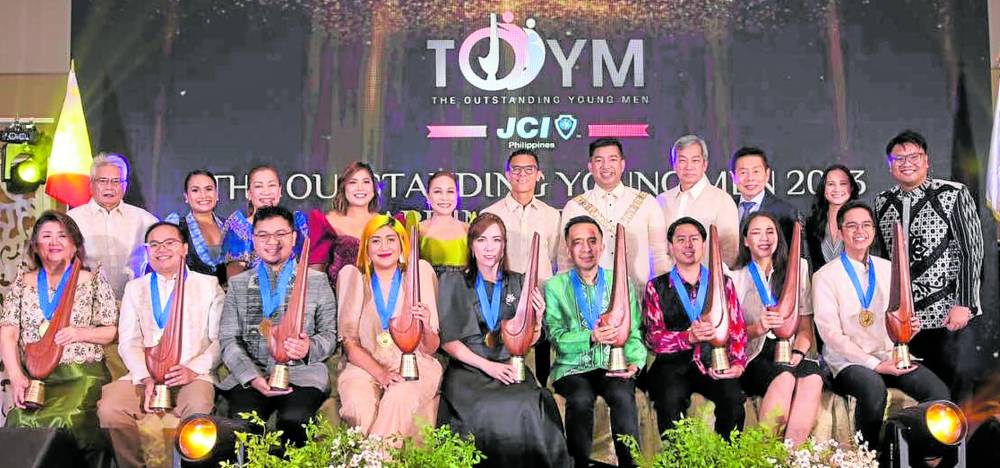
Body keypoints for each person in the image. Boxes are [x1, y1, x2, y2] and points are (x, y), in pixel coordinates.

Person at [437, 213, 570, 467]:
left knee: (530, 404)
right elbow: (448, 341)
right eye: (482, 240)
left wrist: (537, 318)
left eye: (496, 240)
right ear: (472, 245)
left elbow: (528, 341)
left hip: (510, 365)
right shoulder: (453, 281)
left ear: (504, 246)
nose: (489, 247)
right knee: (486, 408)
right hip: (469, 369)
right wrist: (488, 366)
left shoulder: (519, 282)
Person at [812, 200, 950, 446]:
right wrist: (876, 365)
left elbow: (899, 315)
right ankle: (871, 458)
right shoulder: (825, 276)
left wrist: (908, 329)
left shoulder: (889, 268)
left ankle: (923, 456)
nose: (859, 231)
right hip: (848, 363)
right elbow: (830, 334)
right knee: (873, 390)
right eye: (852, 226)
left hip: (892, 356)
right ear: (841, 232)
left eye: (866, 225)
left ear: (874, 231)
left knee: (938, 392)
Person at [98, 222, 224, 468]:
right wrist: (144, 376)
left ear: (185, 248)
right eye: (154, 244)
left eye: (170, 243)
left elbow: (220, 340)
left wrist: (193, 369)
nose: (161, 249)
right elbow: (128, 341)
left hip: (192, 375)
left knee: (198, 409)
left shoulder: (208, 285)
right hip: (145, 376)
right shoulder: (136, 288)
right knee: (110, 408)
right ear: (147, 251)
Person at [1, 211, 118, 467]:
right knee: (20, 420)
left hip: (81, 374)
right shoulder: (22, 283)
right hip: (36, 377)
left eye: (62, 236)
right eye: (47, 236)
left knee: (65, 417)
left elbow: (110, 331)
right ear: (35, 244)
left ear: (75, 244)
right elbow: (8, 333)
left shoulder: (93, 279)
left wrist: (80, 333)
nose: (54, 242)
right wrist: (17, 377)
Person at [874, 130, 984, 401]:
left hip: (948, 315)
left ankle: (958, 444)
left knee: (954, 393)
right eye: (898, 158)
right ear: (890, 166)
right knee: (920, 398)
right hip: (906, 322)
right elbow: (881, 259)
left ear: (926, 161)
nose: (906, 162)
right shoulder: (882, 202)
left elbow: (972, 250)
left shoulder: (952, 194)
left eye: (914, 156)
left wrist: (965, 303)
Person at [217, 206, 337, 445]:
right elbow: (228, 339)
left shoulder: (317, 281)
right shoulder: (239, 284)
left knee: (295, 419)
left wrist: (308, 348)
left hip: (302, 375)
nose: (272, 242)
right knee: (243, 424)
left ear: (294, 237)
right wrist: (252, 377)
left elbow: (330, 334)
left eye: (281, 234)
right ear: (254, 239)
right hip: (253, 374)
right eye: (263, 235)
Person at [546, 215, 646, 468]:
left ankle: (630, 464)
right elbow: (555, 336)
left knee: (623, 396)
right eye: (578, 243)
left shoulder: (619, 281)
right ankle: (579, 464)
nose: (586, 249)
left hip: (613, 364)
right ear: (568, 249)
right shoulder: (555, 286)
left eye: (592, 241)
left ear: (602, 246)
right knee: (580, 399)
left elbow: (634, 329)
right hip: (573, 368)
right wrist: (590, 337)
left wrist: (635, 362)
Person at [336, 215, 442, 438]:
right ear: (366, 248)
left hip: (416, 364)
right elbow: (350, 344)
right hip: (365, 365)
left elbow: (430, 347)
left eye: (391, 239)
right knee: (358, 403)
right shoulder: (353, 277)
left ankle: (368, 461)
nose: (384, 247)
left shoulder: (419, 273)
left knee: (398, 397)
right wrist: (382, 375)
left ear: (402, 244)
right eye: (375, 241)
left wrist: (427, 325)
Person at [641, 217, 747, 438]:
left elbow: (737, 329)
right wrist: (687, 337)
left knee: (734, 400)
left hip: (713, 361)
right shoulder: (656, 286)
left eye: (694, 239)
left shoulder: (723, 283)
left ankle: (727, 460)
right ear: (670, 247)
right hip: (671, 366)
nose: (688, 245)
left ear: (704, 245)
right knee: (670, 400)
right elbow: (653, 338)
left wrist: (737, 364)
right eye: (681, 240)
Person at [730, 212, 821, 446]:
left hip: (792, 351)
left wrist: (798, 352)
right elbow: (730, 335)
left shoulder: (796, 271)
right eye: (756, 232)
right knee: (785, 379)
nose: (765, 238)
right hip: (755, 355)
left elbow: (805, 328)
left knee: (813, 380)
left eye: (770, 232)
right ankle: (764, 455)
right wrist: (757, 328)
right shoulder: (735, 277)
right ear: (745, 240)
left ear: (779, 237)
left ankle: (791, 457)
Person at [481, 148, 561, 385]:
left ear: (538, 175)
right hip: (503, 301)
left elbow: (557, 258)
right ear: (507, 174)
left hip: (541, 300)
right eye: (516, 169)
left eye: (529, 169)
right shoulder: (490, 215)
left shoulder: (551, 216)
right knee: (505, 360)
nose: (522, 174)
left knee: (542, 364)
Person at [558, 138, 670, 291]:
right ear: (590, 166)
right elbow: (565, 262)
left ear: (622, 165)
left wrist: (662, 296)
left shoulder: (647, 203)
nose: (606, 166)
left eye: (612, 159)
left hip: (639, 299)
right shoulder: (575, 207)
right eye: (599, 160)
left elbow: (659, 256)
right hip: (588, 300)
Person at [67, 153, 158, 299]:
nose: (109, 187)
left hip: (132, 302)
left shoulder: (146, 220)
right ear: (91, 185)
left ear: (125, 185)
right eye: (103, 181)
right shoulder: (71, 220)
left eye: (116, 181)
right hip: (84, 302)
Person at [657, 135, 740, 267]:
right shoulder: (662, 200)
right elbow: (656, 249)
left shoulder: (722, 200)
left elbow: (730, 253)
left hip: (707, 284)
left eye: (695, 160)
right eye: (682, 160)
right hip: (667, 283)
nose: (688, 166)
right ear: (674, 165)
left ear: (705, 164)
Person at [221, 165, 308, 279]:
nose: (266, 192)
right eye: (258, 186)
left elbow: (305, 268)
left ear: (280, 191)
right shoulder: (239, 227)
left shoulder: (296, 223)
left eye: (271, 185)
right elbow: (235, 280)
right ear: (249, 194)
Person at [308, 161, 379, 289]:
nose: (360, 188)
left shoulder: (385, 224)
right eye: (353, 182)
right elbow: (315, 273)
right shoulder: (327, 223)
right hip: (338, 300)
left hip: (379, 298)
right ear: (343, 188)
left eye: (366, 182)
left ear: (374, 188)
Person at [729, 147, 803, 251]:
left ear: (767, 174)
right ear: (733, 177)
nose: (750, 178)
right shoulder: (726, 206)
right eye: (743, 172)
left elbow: (796, 256)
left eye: (756, 171)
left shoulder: (785, 212)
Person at [165, 170, 226, 284]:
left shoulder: (229, 226)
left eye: (208, 189)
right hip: (190, 298)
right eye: (195, 190)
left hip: (228, 300)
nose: (203, 195)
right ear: (186, 196)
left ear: (216, 194)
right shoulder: (177, 226)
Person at [804, 164, 860, 274]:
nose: (837, 189)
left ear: (851, 187)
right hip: (820, 288)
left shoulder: (862, 223)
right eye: (831, 184)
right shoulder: (811, 224)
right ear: (823, 189)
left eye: (843, 184)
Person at [419, 171, 469, 275]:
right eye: (438, 192)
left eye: (450, 191)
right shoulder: (418, 230)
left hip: (463, 290)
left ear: (457, 195)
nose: (444, 197)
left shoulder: (468, 230)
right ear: (428, 196)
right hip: (428, 289)